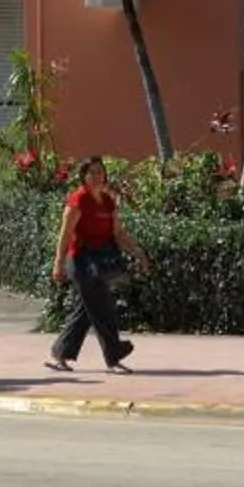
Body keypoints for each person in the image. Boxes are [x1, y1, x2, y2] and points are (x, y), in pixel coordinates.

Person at [46, 156, 140, 374]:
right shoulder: (78, 200)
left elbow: (118, 233)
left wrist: (137, 252)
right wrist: (58, 264)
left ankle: (61, 353)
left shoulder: (107, 201)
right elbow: (65, 234)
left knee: (85, 310)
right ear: (84, 176)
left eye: (100, 172)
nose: (98, 176)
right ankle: (114, 355)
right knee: (101, 308)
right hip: (81, 262)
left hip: (100, 261)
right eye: (93, 172)